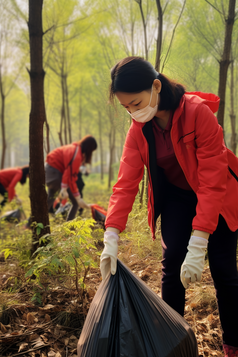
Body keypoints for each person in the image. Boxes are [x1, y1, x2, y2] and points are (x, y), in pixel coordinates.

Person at [100, 56, 238, 356]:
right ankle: (171, 343)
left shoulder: (198, 114)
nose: (133, 113)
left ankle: (233, 344)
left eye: (136, 103)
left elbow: (214, 180)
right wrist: (111, 235)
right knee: (172, 263)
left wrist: (200, 240)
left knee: (225, 272)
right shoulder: (139, 130)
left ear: (156, 86)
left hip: (219, 194)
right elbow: (126, 182)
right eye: (126, 108)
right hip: (178, 196)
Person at [45, 135, 97, 221]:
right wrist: (75, 196)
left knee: (50, 198)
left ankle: (32, 222)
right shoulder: (77, 155)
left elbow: (70, 175)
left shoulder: (74, 148)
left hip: (49, 170)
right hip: (54, 172)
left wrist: (77, 196)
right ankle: (69, 227)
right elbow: (70, 176)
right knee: (75, 203)